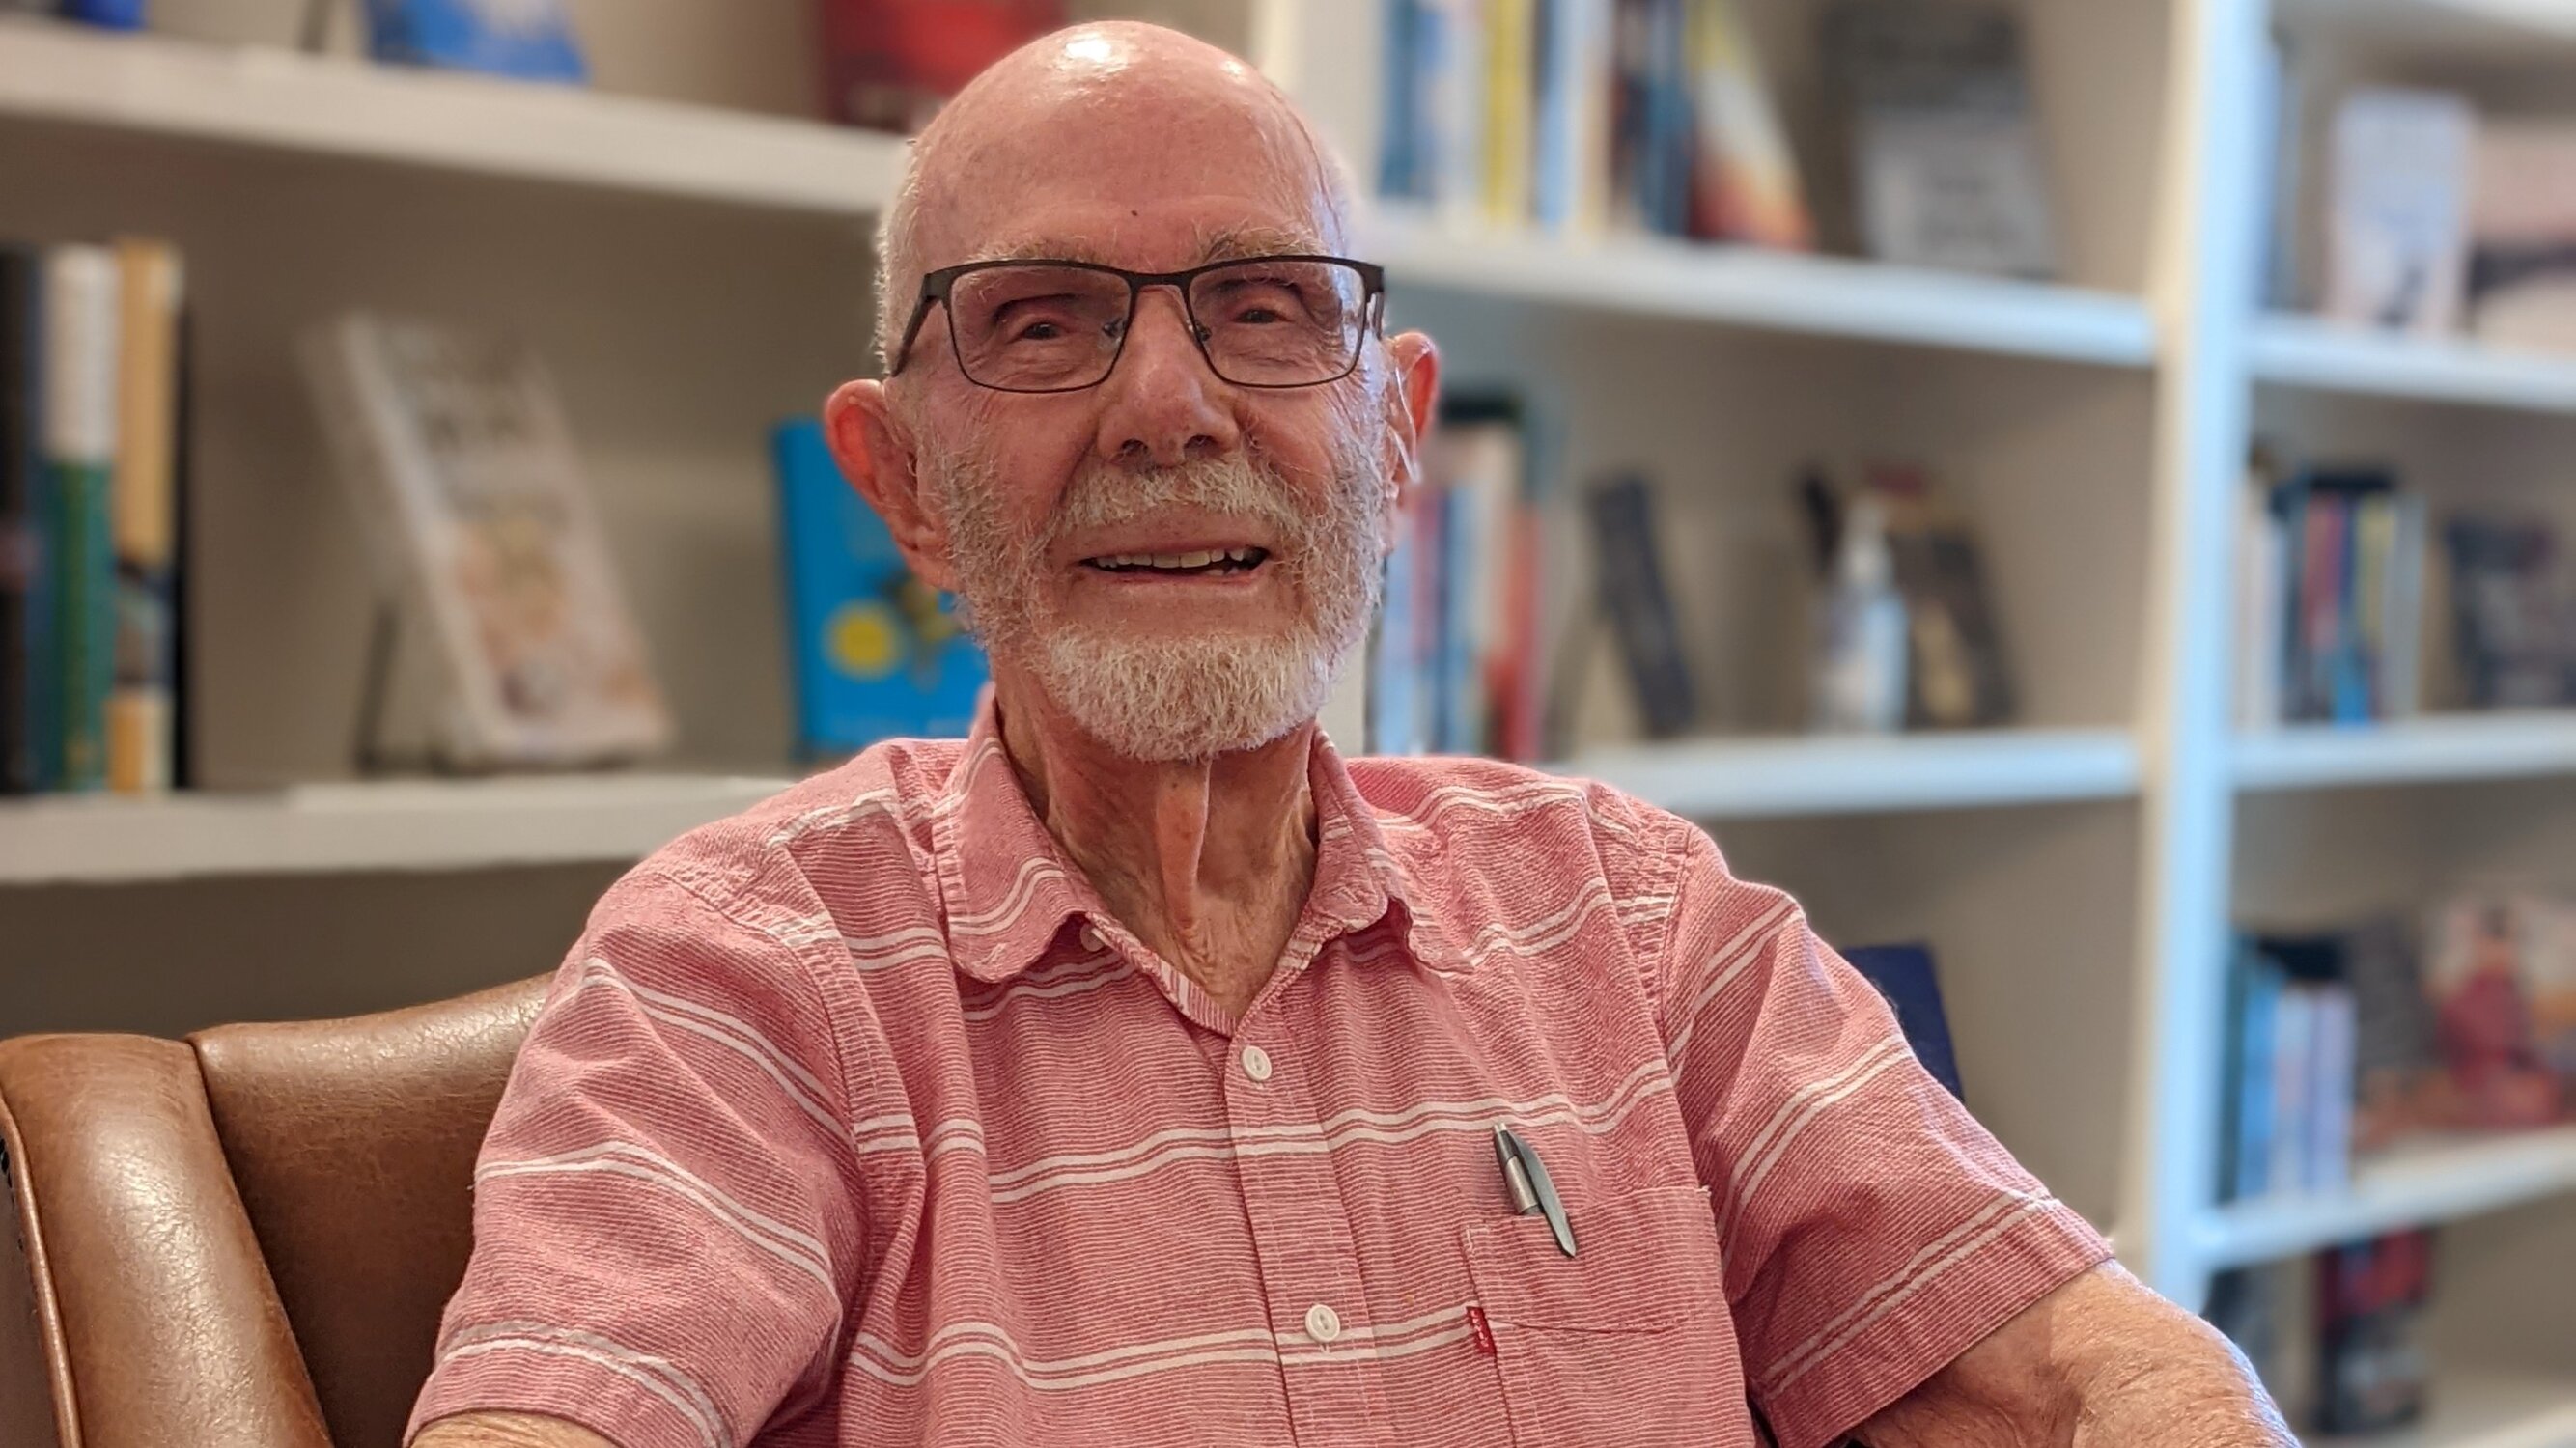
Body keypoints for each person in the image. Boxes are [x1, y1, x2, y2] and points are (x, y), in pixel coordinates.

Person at [410, 22, 2291, 1448]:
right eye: (1043, 324)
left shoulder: (1633, 921)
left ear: (1393, 438)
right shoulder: (740, 973)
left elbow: (2084, 1371)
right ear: (899, 482)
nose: (1166, 407)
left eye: (1261, 309)